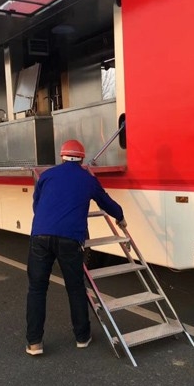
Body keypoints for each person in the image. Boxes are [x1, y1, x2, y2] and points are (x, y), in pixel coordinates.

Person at [25, 139, 126, 356]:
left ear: (62, 156)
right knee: (75, 288)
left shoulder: (47, 175)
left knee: (37, 289)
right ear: (81, 158)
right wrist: (120, 217)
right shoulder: (87, 179)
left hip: (40, 236)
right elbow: (105, 202)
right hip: (70, 239)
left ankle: (34, 343)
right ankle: (82, 337)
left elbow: (37, 203)